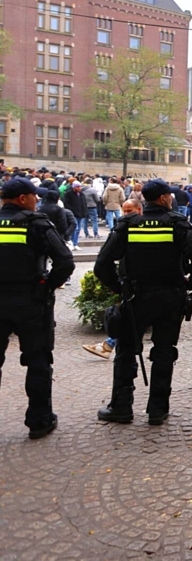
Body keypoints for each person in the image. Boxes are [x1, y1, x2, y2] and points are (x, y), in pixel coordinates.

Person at [94, 179, 192, 426]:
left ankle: (122, 407)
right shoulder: (178, 224)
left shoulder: (127, 225)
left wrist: (119, 288)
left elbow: (101, 265)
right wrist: (188, 286)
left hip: (136, 297)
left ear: (144, 198)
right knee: (164, 351)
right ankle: (158, 409)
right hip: (170, 296)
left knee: (126, 351)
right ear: (166, 197)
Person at [0, 178, 75, 438]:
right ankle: (39, 420)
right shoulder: (37, 223)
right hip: (31, 302)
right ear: (23, 198)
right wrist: (47, 288)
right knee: (38, 362)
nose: (38, 201)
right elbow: (65, 261)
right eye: (35, 196)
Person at [83, 199, 143, 359]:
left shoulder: (126, 229)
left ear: (140, 210)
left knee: (131, 322)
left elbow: (102, 263)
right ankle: (108, 345)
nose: (126, 214)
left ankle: (108, 345)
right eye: (124, 211)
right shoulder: (124, 227)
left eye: (129, 211)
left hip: (143, 286)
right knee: (130, 320)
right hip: (134, 284)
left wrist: (117, 286)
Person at [64, 180, 87, 250]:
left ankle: (75, 243)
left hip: (80, 214)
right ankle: (72, 242)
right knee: (74, 229)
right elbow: (67, 204)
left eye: (79, 187)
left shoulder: (82, 194)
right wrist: (72, 211)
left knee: (78, 229)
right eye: (77, 187)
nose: (79, 188)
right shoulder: (68, 194)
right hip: (73, 214)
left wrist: (84, 212)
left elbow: (84, 204)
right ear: (74, 187)